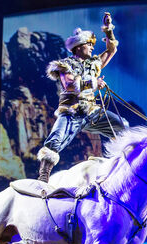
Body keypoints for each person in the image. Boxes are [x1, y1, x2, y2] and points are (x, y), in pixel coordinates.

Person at [37, 12, 129, 183]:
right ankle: (43, 177)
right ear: (79, 46)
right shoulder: (65, 65)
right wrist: (94, 83)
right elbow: (71, 85)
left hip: (91, 112)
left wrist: (108, 30)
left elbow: (111, 50)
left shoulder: (94, 64)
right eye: (89, 44)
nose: (92, 47)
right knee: (56, 139)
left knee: (122, 126)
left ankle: (121, 166)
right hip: (72, 111)